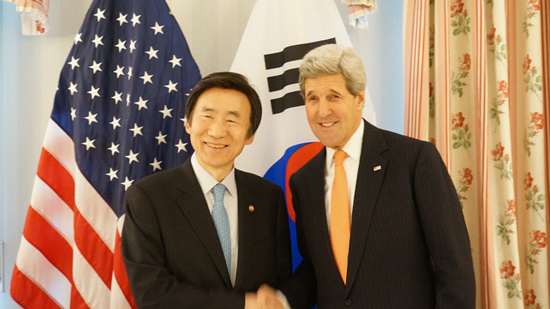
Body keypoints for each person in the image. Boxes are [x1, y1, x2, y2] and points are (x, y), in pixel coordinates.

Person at [258, 44, 475, 308]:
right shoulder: (303, 181)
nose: (322, 111)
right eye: (313, 98)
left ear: (359, 97)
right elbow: (317, 270)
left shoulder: (414, 160)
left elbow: (454, 268)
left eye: (334, 96)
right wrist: (282, 299)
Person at [122, 72, 292, 308]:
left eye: (232, 120)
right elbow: (152, 294)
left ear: (250, 135)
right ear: (188, 124)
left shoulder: (267, 197)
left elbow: (279, 279)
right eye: (207, 116)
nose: (217, 131)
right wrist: (243, 305)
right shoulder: (148, 197)